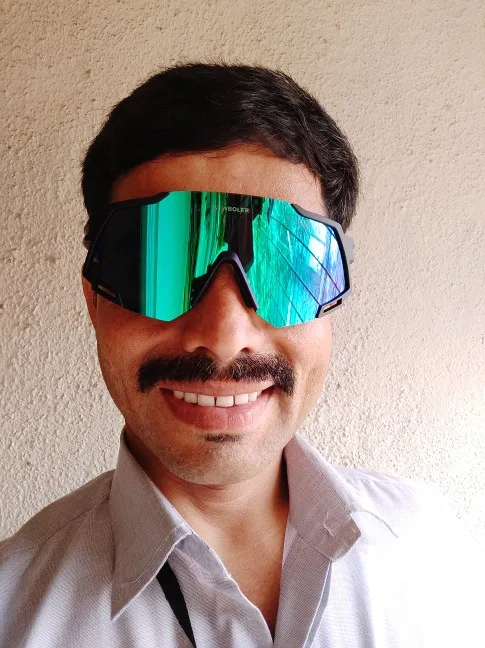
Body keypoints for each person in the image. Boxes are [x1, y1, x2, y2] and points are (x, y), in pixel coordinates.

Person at [0, 63, 483, 648]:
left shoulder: (436, 554)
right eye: (161, 263)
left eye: (284, 268)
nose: (225, 337)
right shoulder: (12, 612)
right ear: (93, 301)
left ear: (329, 304)